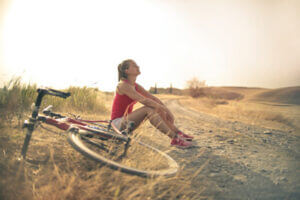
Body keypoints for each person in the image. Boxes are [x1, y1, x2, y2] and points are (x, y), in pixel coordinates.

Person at [110, 59, 194, 148]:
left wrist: (167, 110)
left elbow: (152, 98)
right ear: (126, 71)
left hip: (127, 123)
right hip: (116, 124)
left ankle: (177, 133)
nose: (137, 66)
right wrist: (163, 109)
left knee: (155, 106)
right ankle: (175, 139)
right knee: (148, 109)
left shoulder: (135, 85)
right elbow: (144, 100)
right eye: (134, 65)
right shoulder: (122, 85)